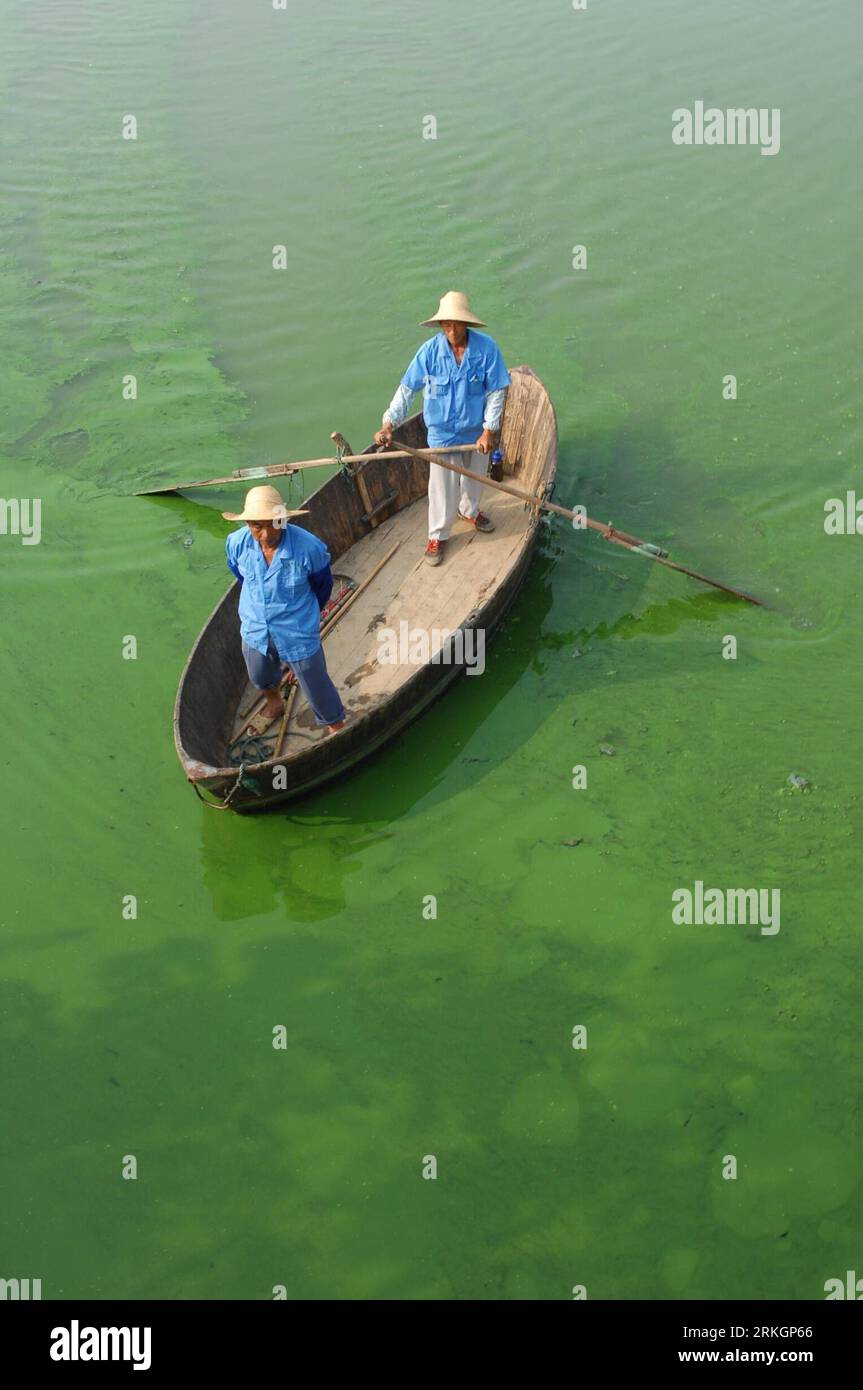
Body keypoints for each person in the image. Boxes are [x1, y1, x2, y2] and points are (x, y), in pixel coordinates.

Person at [375, 290, 511, 565]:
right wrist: (388, 423)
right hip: (443, 435)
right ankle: (437, 534)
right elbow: (407, 390)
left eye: (456, 323)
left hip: (475, 432)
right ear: (440, 325)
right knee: (442, 487)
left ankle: (470, 512)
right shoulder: (429, 353)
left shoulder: (487, 349)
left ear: (466, 323)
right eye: (446, 323)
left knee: (475, 478)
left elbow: (497, 391)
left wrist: (489, 429)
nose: (451, 329)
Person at [223, 485, 346, 735]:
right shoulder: (237, 544)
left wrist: (307, 614)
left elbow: (322, 586)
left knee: (315, 683)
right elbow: (238, 572)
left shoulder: (309, 548)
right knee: (259, 674)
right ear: (247, 523)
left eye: (274, 523)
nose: (266, 534)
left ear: (284, 518)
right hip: (255, 627)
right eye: (257, 526)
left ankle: (335, 723)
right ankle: (274, 702)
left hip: (296, 630)